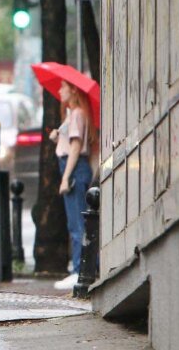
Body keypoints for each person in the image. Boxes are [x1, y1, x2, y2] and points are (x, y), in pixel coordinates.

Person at [49, 79, 98, 290]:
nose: (60, 91)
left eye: (63, 87)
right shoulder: (73, 114)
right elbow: (69, 143)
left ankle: (79, 270)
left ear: (73, 89)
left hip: (75, 169)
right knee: (79, 221)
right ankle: (88, 267)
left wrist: (65, 177)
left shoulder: (77, 113)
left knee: (77, 222)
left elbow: (76, 148)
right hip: (75, 168)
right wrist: (56, 137)